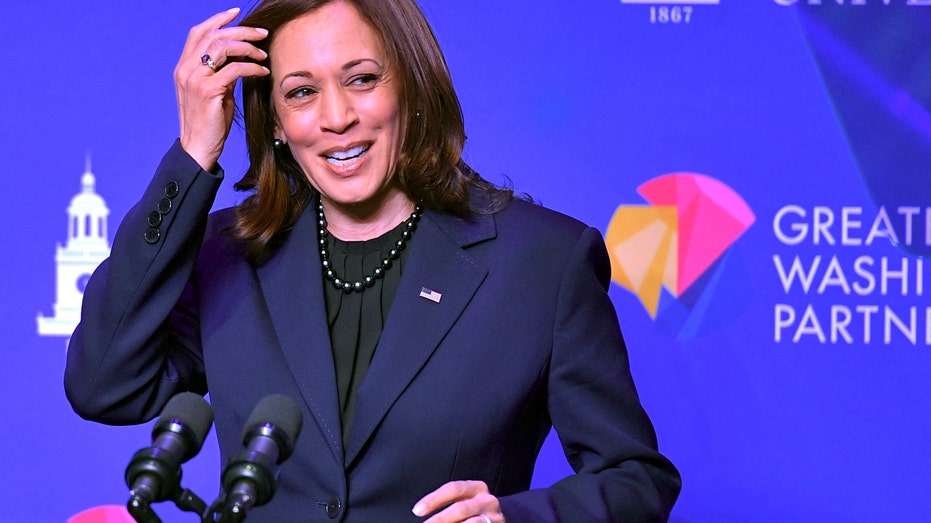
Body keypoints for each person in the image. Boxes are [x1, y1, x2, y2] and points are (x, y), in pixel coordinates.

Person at [64, 0, 681, 521]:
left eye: (361, 79)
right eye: (301, 93)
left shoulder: (542, 261)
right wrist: (194, 152)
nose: (336, 118)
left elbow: (636, 477)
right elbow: (104, 386)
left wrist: (514, 517)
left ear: (410, 88)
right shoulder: (227, 255)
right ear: (275, 123)